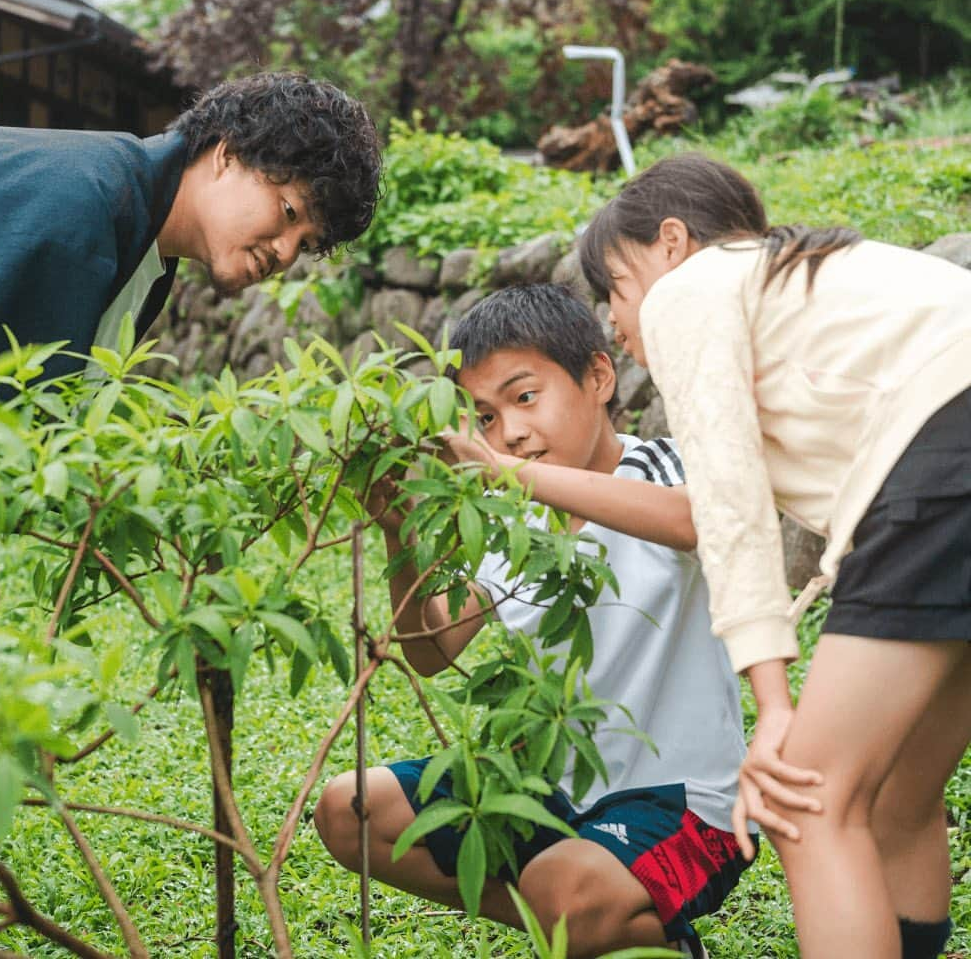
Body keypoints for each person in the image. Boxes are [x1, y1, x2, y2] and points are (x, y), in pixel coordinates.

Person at [577, 152, 971, 959]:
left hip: (944, 461)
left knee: (807, 799)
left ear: (672, 244)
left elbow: (725, 502)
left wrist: (775, 706)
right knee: (898, 797)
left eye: (615, 288)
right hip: (945, 473)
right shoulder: (816, 287)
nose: (614, 323)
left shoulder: (695, 288)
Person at [314, 284, 753, 959]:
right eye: (484, 418)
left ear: (599, 377)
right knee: (351, 813)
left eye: (525, 398)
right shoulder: (509, 519)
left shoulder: (658, 468)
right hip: (545, 789)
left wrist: (505, 474)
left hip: (685, 808)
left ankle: (598, 919)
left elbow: (696, 522)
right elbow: (433, 649)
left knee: (562, 887)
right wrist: (400, 535)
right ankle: (632, 935)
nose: (511, 432)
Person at [0, 70, 382, 602]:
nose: (286, 253)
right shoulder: (78, 209)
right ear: (227, 155)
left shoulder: (141, 247)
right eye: (289, 212)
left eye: (304, 243)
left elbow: (3, 406)